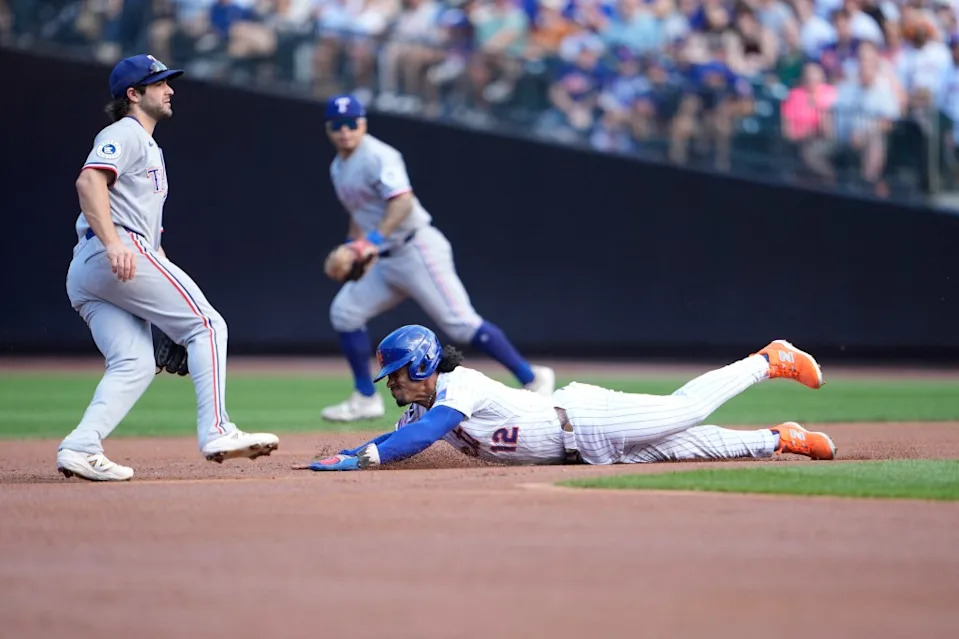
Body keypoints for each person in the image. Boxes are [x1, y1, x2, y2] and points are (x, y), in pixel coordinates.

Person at [58, 54, 279, 482]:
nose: (169, 89)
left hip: (89, 269)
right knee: (208, 327)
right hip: (114, 250)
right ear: (133, 94)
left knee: (134, 363)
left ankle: (82, 444)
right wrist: (114, 242)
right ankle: (217, 430)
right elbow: (88, 181)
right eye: (158, 83)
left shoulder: (145, 143)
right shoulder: (125, 133)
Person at [298, 325, 836, 471]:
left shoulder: (461, 386)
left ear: (420, 365)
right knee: (695, 446)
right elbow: (402, 436)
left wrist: (365, 459)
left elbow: (421, 437)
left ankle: (768, 360)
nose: (390, 383)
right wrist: (352, 453)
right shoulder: (421, 408)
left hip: (586, 417)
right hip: (585, 451)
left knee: (685, 410)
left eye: (395, 373)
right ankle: (781, 439)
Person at [320, 94, 554, 422]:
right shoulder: (338, 167)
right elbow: (360, 212)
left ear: (363, 123)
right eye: (337, 125)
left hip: (417, 248)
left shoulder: (378, 155)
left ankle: (533, 377)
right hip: (384, 260)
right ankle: (365, 397)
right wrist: (351, 246)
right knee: (344, 313)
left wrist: (369, 242)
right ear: (328, 129)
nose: (345, 131)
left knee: (460, 325)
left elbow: (401, 202)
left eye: (351, 123)